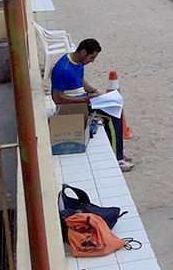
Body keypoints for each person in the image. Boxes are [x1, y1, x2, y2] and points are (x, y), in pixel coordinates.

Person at [51, 38, 132, 172]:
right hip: (73, 106)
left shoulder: (78, 62)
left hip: (84, 100)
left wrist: (94, 92)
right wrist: (85, 100)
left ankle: (117, 152)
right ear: (83, 52)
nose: (92, 61)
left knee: (115, 108)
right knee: (112, 117)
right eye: (92, 57)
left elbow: (81, 80)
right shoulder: (63, 69)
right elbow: (57, 98)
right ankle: (117, 159)